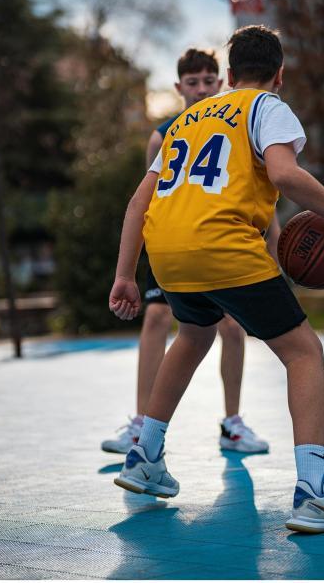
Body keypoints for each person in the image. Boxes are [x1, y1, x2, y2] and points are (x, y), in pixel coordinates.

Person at [108, 25, 324, 533]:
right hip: (223, 246)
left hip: (170, 253)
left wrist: (125, 274)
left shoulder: (186, 120)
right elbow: (286, 174)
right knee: (303, 352)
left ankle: (144, 456)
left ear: (227, 76)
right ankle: (314, 492)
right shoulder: (265, 106)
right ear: (279, 75)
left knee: (193, 335)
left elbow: (140, 201)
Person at [102, 48, 274, 456]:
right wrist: (133, 265)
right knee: (157, 316)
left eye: (208, 81)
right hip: (172, 242)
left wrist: (273, 243)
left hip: (221, 243)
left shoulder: (235, 123)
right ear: (179, 88)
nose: (200, 89)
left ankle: (233, 423)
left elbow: (259, 190)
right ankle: (143, 422)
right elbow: (147, 199)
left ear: (221, 82)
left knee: (231, 327)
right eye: (192, 82)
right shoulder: (164, 134)